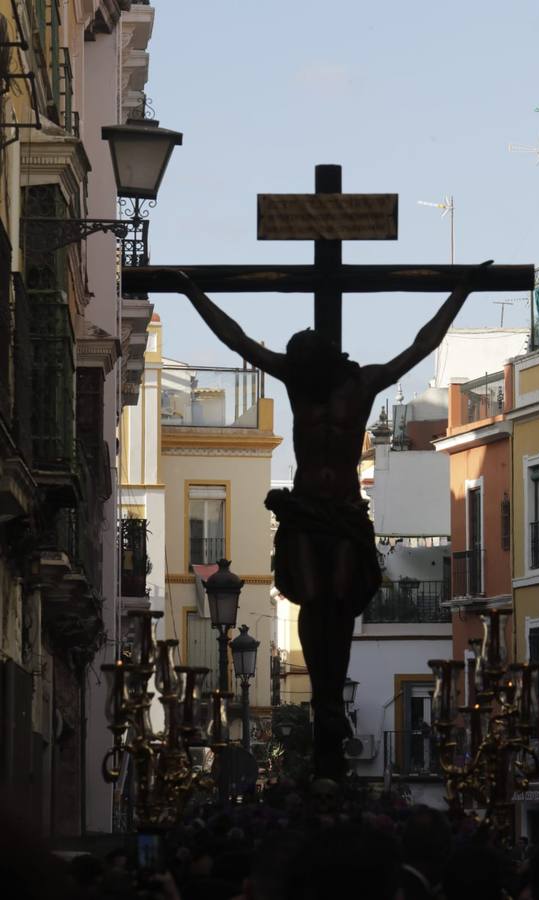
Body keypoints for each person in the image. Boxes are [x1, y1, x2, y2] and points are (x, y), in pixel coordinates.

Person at [172, 264, 491, 777]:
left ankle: (328, 700)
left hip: (344, 510)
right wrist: (193, 293)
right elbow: (237, 341)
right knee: (312, 596)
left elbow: (422, 344)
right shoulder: (302, 382)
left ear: (323, 360)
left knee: (340, 599)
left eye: (304, 364)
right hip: (303, 509)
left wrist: (462, 291)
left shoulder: (361, 384)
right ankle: (324, 700)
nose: (298, 371)